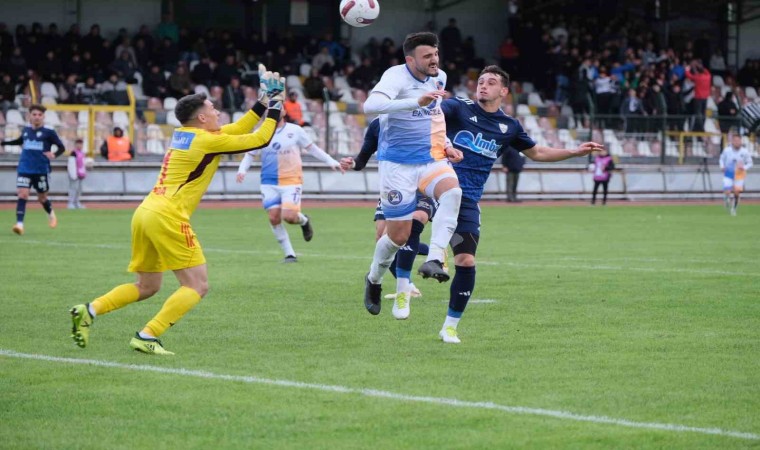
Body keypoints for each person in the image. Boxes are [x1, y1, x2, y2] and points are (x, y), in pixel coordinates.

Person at [68, 66, 285, 355]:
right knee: (197, 285)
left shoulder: (187, 134)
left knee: (147, 286)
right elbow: (260, 139)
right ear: (202, 118)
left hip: (146, 211)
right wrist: (276, 105)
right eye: (212, 109)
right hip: (167, 215)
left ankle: (89, 310)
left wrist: (263, 101)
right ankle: (147, 335)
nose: (218, 112)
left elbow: (237, 129)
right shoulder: (207, 139)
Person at [437, 65, 602, 343]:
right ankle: (402, 272)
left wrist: (573, 151)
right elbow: (429, 117)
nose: (483, 85)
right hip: (436, 186)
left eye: (491, 82)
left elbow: (538, 152)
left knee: (466, 260)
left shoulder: (509, 126)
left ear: (504, 91)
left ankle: (450, 327)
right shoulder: (458, 107)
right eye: (480, 81)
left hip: (467, 199)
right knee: (406, 227)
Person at [361, 31, 464, 321]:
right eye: (427, 56)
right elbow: (370, 107)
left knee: (453, 192)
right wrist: (414, 102)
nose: (434, 60)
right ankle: (374, 279)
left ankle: (434, 259)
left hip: (430, 159)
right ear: (410, 60)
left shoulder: (439, 77)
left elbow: (435, 115)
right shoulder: (395, 76)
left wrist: (447, 144)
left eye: (436, 54)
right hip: (397, 166)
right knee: (397, 237)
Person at [340, 116, 435, 299]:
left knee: (411, 225)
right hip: (392, 187)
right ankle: (410, 285)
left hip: (421, 185)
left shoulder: (424, 117)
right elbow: (362, 158)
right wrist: (352, 163)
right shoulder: (378, 123)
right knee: (383, 239)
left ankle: (435, 254)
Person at [236, 114, 342, 262]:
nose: (276, 109)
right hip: (268, 182)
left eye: (279, 106)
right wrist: (242, 170)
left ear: (284, 111)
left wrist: (331, 161)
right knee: (273, 217)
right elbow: (250, 154)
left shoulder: (295, 130)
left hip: (291, 180)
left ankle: (304, 221)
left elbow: (312, 149)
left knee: (289, 217)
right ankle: (290, 254)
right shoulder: (260, 132)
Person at [0, 104, 65, 235]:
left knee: (42, 198)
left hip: (41, 170)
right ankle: (19, 224)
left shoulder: (49, 132)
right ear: (29, 116)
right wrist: (4, 143)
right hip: (25, 168)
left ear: (43, 117)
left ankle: (50, 213)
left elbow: (61, 147)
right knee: (22, 194)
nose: (37, 117)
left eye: (39, 115)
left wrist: (54, 154)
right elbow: (20, 141)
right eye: (34, 114)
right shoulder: (26, 130)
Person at [719, 133, 754, 216]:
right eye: (735, 140)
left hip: (739, 174)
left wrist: (744, 167)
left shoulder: (745, 151)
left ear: (741, 141)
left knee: (736, 192)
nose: (737, 142)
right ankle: (727, 197)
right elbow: (721, 159)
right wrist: (722, 166)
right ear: (732, 141)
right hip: (728, 173)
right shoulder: (727, 150)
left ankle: (734, 209)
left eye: (738, 140)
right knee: (727, 191)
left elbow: (750, 163)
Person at [67, 138, 87, 209]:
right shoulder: (73, 153)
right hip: (74, 174)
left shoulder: (83, 153)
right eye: (78, 144)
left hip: (81, 174)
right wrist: (73, 175)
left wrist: (84, 172)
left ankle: (77, 202)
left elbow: (83, 164)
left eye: (81, 144)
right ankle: (71, 203)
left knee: (79, 189)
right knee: (73, 189)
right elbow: (71, 165)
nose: (79, 145)